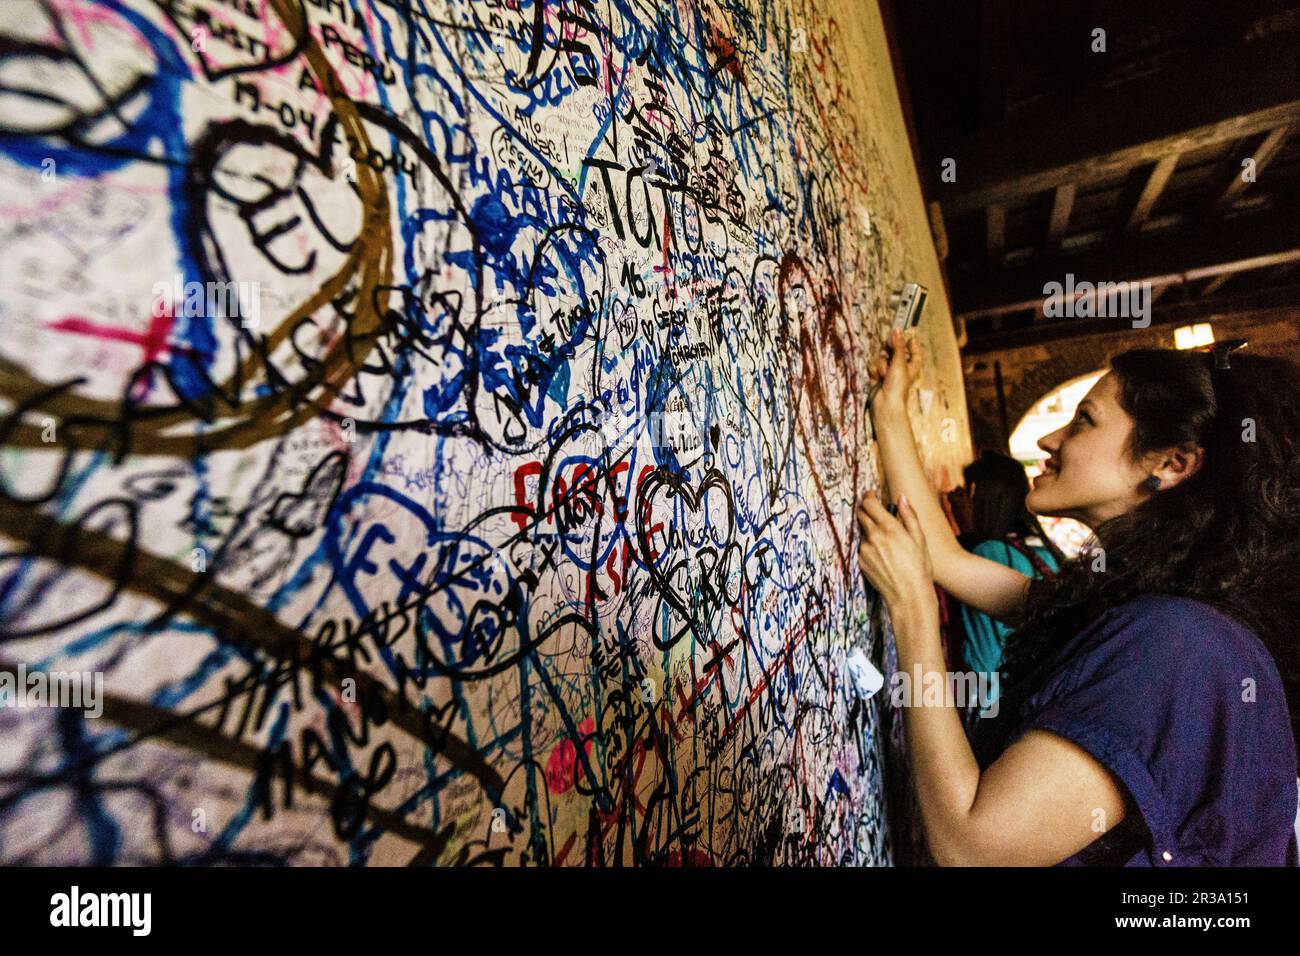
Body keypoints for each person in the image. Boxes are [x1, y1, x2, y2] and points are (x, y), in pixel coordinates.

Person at [856, 329, 1300, 865]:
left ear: (1169, 464)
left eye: (1084, 420)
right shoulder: (1124, 606)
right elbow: (945, 559)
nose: (1049, 441)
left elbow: (970, 847)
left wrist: (913, 612)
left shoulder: (1177, 645)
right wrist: (889, 409)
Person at [951, 452, 1063, 720]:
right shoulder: (1047, 553)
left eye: (968, 492)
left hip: (994, 707)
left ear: (981, 494)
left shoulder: (986, 553)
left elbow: (983, 657)